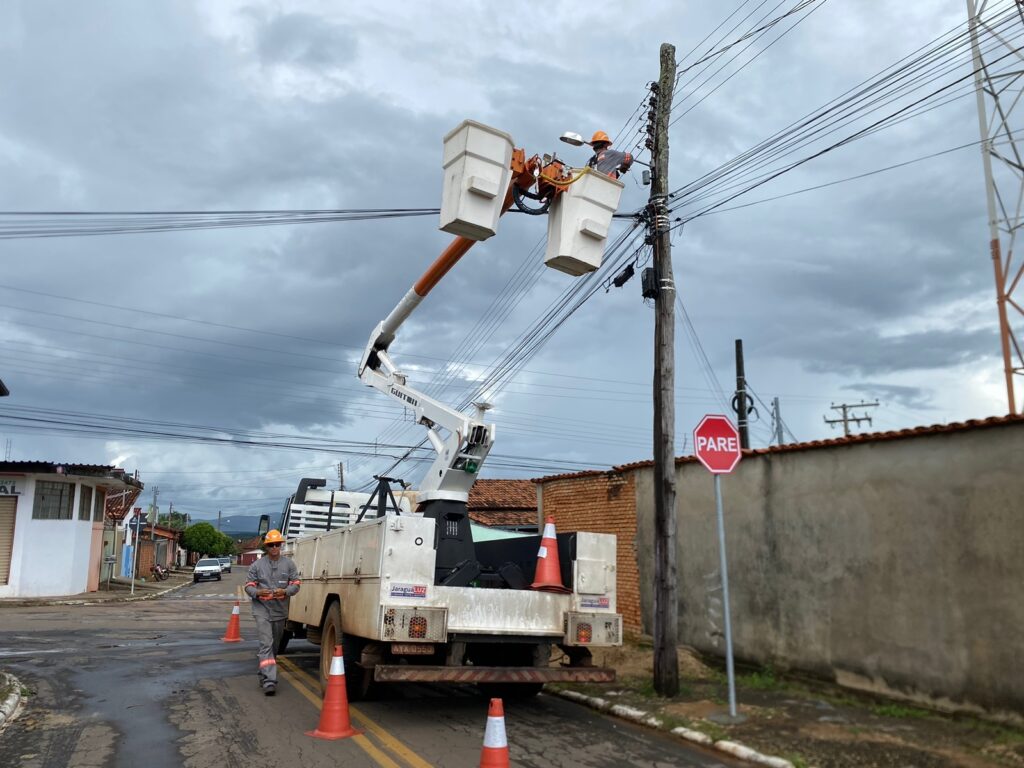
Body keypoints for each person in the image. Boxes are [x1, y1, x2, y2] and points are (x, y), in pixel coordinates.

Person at [243, 529, 301, 695]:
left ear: (281, 546)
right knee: (266, 643)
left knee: (274, 647)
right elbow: (249, 586)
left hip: (280, 611)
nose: (275, 547)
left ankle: (263, 671)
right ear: (266, 547)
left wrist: (286, 591)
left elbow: (296, 584)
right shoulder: (257, 566)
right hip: (261, 610)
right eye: (271, 545)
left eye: (277, 544)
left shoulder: (289, 564)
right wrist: (257, 593)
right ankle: (270, 681)